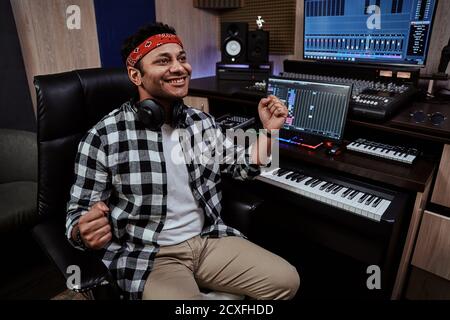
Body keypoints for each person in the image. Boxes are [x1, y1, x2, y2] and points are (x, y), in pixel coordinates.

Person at [66, 22, 299, 300]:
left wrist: (268, 130)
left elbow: (243, 165)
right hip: (151, 255)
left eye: (182, 58)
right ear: (135, 75)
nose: (179, 68)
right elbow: (77, 214)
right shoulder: (104, 136)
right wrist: (83, 232)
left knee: (286, 281)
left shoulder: (201, 122)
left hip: (207, 241)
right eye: (163, 61)